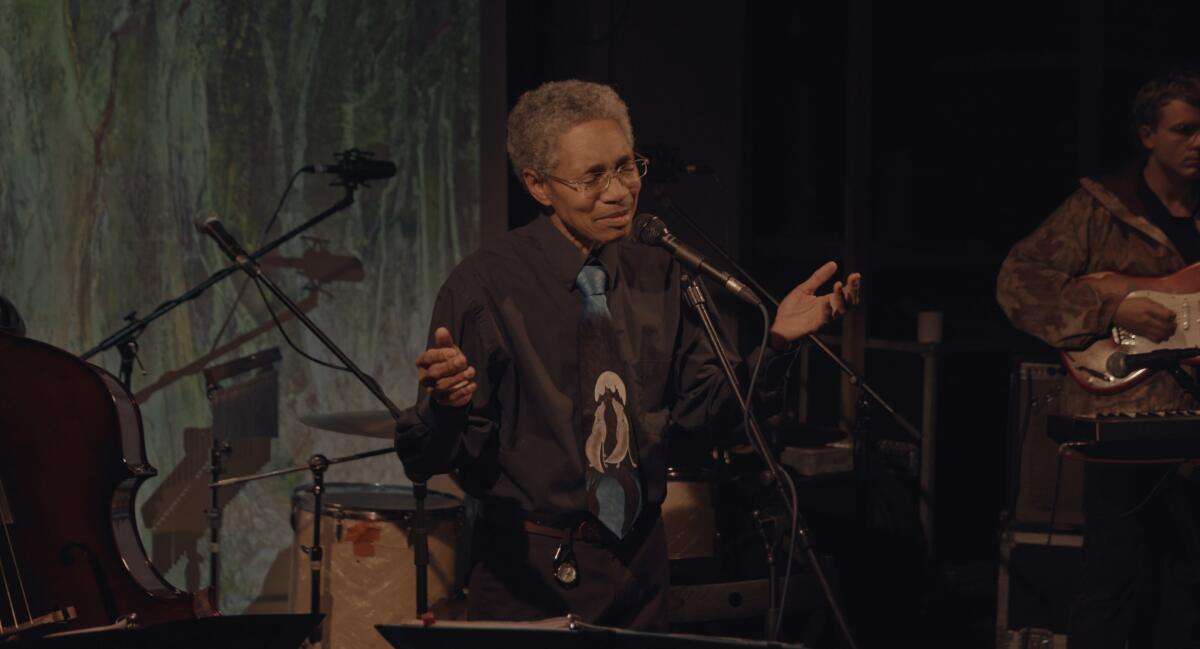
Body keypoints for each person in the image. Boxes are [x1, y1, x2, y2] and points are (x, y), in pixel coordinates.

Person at [397, 79, 860, 631]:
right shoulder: (485, 286)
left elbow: (707, 416)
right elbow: (428, 459)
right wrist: (445, 407)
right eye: (593, 177)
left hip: (641, 570)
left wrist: (778, 344)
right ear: (539, 187)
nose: (619, 192)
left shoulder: (660, 270)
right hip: (531, 571)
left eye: (626, 167)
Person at [997, 69, 1200, 647]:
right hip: (1126, 423)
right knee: (1115, 579)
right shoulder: (1100, 208)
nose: (1198, 143)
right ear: (1147, 135)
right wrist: (1111, 310)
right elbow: (1019, 282)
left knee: (1190, 587)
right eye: (1184, 130)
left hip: (1198, 426)